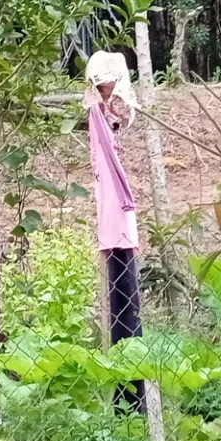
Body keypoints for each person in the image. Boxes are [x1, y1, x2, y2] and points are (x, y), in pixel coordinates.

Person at [84, 51, 144, 410]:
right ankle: (128, 398)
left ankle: (131, 397)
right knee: (121, 303)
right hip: (114, 218)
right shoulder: (95, 114)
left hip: (118, 219)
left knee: (125, 303)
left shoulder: (105, 115)